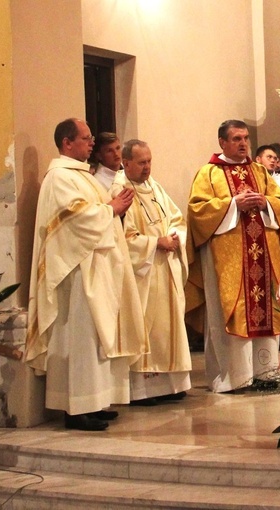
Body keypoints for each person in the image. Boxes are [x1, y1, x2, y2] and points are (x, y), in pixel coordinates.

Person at [24, 118, 147, 431]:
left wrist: (112, 205)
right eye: (86, 138)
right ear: (67, 143)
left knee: (99, 338)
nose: (91, 143)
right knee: (81, 339)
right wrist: (112, 208)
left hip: (97, 265)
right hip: (78, 271)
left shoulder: (81, 175)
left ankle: (97, 400)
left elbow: (95, 207)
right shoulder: (60, 177)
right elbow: (75, 217)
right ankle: (76, 408)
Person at [185, 119, 280, 393]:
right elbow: (198, 211)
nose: (243, 143)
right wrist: (233, 204)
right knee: (233, 312)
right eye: (236, 139)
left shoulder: (259, 171)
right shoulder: (208, 174)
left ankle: (265, 373)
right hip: (229, 262)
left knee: (267, 308)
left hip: (263, 257)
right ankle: (235, 377)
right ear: (222, 142)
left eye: (245, 138)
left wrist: (265, 202)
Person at [110, 139, 192, 404]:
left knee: (170, 327)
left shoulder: (153, 186)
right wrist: (156, 243)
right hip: (144, 272)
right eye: (142, 163)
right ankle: (144, 390)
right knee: (147, 326)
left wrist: (174, 236)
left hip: (166, 265)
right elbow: (122, 237)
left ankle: (172, 385)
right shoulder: (121, 189)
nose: (147, 167)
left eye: (149, 161)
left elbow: (177, 217)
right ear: (127, 163)